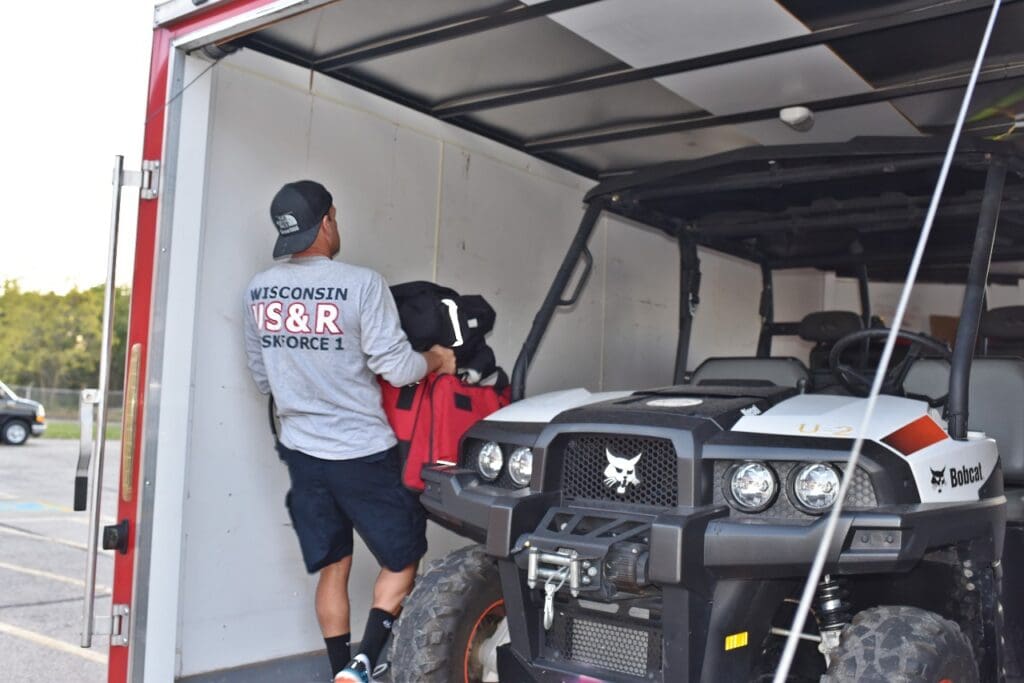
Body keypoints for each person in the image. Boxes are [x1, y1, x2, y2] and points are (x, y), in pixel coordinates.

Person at [243, 180, 456, 683]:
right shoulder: (361, 284)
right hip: (364, 454)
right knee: (405, 557)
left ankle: (340, 671)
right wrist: (436, 359)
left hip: (301, 453)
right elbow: (399, 369)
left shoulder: (259, 290)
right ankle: (364, 662)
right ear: (328, 220)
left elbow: (261, 376)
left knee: (333, 566)